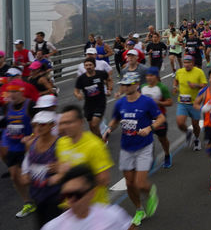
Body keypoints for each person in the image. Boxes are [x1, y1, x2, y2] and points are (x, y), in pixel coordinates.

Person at [103, 73, 163, 226]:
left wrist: (150, 128)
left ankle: (150, 193)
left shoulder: (147, 102)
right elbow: (116, 119)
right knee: (129, 183)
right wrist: (109, 129)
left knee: (140, 183)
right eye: (123, 84)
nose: (125, 87)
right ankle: (139, 209)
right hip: (126, 147)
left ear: (136, 84)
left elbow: (161, 118)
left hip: (144, 146)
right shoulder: (120, 103)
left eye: (128, 84)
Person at [40, 164, 134, 230]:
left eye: (77, 194)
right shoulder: (53, 227)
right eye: (67, 195)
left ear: (92, 192)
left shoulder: (113, 216)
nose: (71, 200)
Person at [55, 106, 113, 205]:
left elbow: (105, 180)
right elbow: (61, 169)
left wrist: (79, 181)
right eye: (63, 123)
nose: (65, 126)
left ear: (81, 122)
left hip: (94, 208)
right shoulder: (61, 143)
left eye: (69, 122)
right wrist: (59, 174)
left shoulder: (95, 145)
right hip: (70, 206)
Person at [21, 110, 63, 227]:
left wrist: (60, 169)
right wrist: (25, 173)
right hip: (37, 195)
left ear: (52, 125)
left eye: (43, 124)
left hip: (55, 196)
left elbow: (69, 165)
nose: (39, 127)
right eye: (36, 124)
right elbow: (28, 159)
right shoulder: (31, 143)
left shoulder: (60, 143)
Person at [1, 81, 35, 218]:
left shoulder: (30, 105)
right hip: (12, 147)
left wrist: (31, 137)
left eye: (15, 92)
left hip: (27, 148)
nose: (12, 95)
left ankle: (44, 194)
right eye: (10, 92)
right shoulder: (6, 107)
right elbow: (4, 124)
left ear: (21, 92)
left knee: (27, 178)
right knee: (15, 176)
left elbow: (39, 125)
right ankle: (28, 202)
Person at [140, 67, 173, 168]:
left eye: (151, 76)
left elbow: (170, 102)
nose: (149, 78)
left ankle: (167, 154)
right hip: (146, 118)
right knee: (147, 139)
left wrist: (159, 102)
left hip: (159, 118)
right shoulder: (143, 87)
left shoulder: (162, 87)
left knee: (162, 139)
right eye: (147, 76)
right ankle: (150, 158)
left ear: (156, 77)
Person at [174, 55, 207, 151]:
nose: (186, 65)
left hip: (195, 103)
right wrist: (175, 87)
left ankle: (196, 139)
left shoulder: (199, 72)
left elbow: (205, 85)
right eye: (185, 63)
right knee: (180, 123)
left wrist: (196, 85)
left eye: (189, 63)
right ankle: (188, 132)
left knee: (195, 125)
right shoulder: (180, 71)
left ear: (193, 63)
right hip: (182, 102)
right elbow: (176, 80)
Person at [74, 58, 112, 137]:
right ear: (84, 67)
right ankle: (98, 139)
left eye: (90, 65)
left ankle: (101, 141)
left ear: (94, 66)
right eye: (86, 65)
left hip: (100, 102)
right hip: (88, 105)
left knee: (94, 124)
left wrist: (109, 89)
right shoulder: (81, 78)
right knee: (91, 126)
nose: (88, 67)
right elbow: (76, 91)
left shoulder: (101, 74)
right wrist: (78, 95)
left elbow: (109, 79)